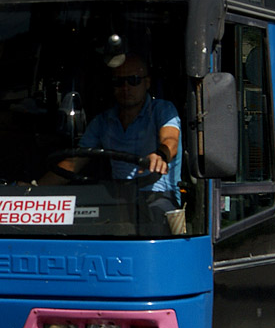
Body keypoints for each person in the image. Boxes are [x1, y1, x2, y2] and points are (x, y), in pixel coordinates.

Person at [42, 54, 181, 217]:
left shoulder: (162, 110)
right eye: (119, 82)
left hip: (159, 197)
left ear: (147, 82)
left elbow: (170, 139)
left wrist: (161, 155)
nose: (126, 88)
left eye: (134, 80)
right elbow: (74, 163)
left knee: (159, 220)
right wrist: (33, 189)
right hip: (118, 200)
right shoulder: (102, 122)